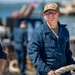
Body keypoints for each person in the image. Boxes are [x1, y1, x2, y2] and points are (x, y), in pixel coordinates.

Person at [27, 2, 75, 75]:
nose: (51, 15)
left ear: (59, 14)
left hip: (65, 72)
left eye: (53, 13)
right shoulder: (38, 33)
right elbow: (33, 53)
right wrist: (47, 70)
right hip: (48, 73)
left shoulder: (65, 31)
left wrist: (73, 65)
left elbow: (67, 52)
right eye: (48, 13)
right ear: (44, 15)